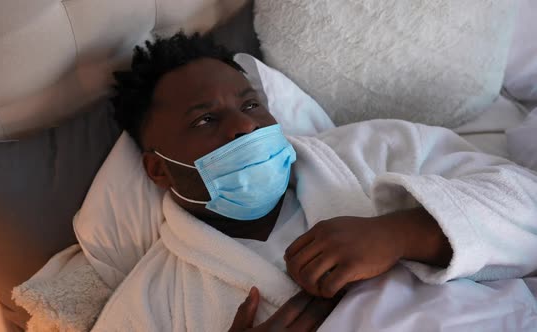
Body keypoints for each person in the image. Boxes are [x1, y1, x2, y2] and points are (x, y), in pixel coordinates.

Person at [91, 32, 537, 331]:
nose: (244, 129)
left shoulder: (375, 149)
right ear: (158, 170)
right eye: (206, 119)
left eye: (249, 106)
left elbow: (527, 202)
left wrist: (406, 232)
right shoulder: (154, 300)